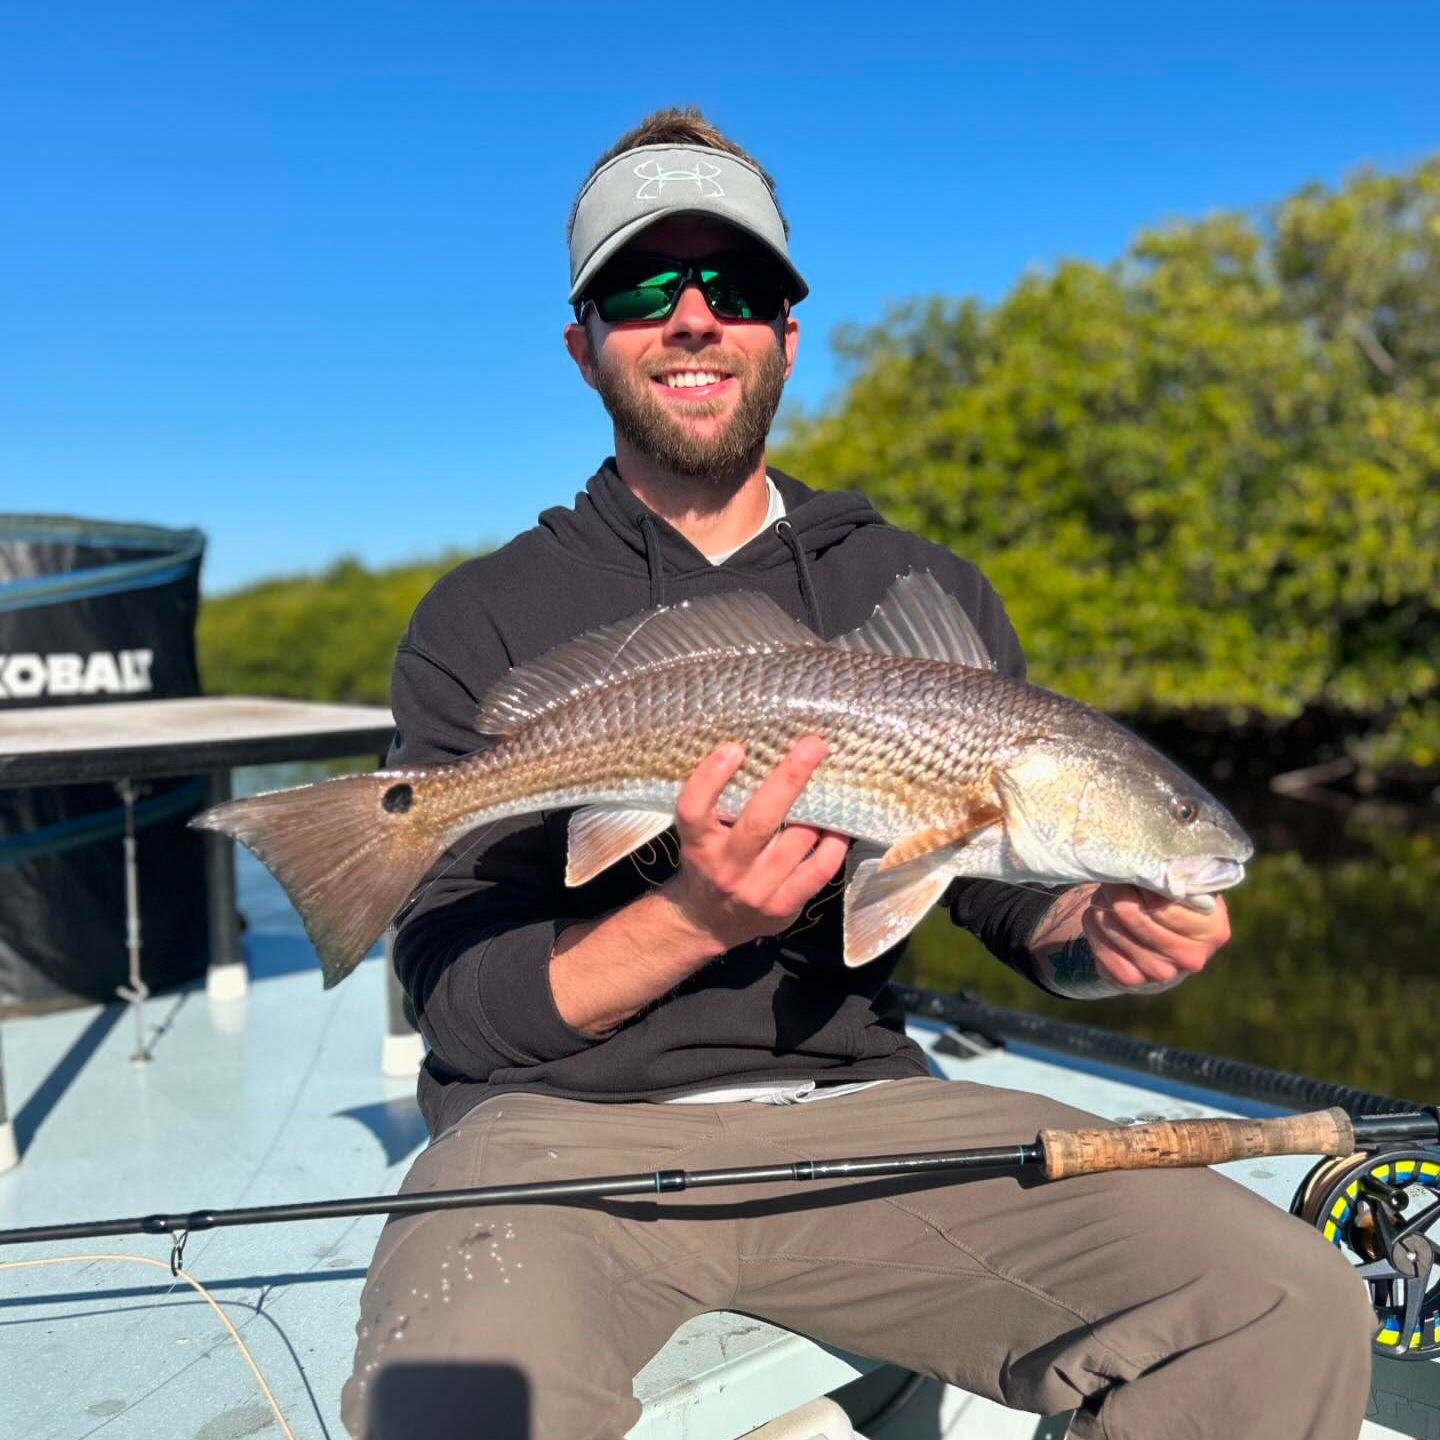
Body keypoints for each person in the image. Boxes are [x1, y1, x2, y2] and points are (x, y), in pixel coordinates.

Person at [341, 108, 1374, 1440]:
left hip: (866, 1116)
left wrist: (1092, 934)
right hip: (555, 1137)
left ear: (786, 328)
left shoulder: (920, 590)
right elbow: (460, 1008)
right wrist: (693, 920)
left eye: (736, 284)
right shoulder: (480, 614)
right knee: (458, 1407)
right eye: (643, 287)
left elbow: (994, 894)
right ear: (583, 342)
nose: (694, 317)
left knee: (1286, 1301)